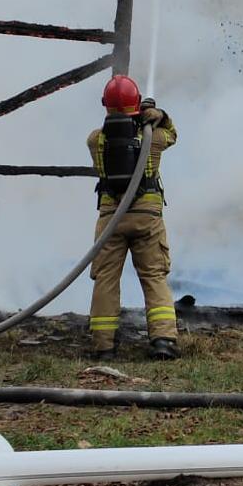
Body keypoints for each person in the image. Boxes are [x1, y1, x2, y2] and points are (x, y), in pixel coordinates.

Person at [85, 74, 179, 361]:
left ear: (105, 106)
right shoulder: (153, 140)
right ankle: (163, 341)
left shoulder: (95, 140)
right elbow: (172, 135)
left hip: (111, 219)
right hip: (146, 219)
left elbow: (110, 135)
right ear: (136, 104)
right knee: (153, 276)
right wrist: (158, 116)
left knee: (106, 280)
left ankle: (103, 346)